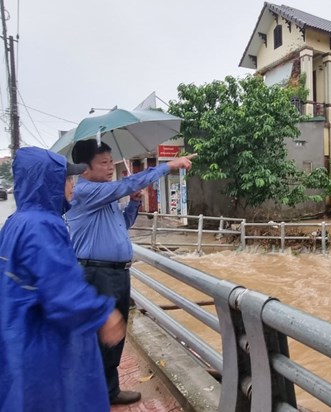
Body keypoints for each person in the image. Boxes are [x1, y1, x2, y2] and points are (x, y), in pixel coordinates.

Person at [66, 139, 193, 405]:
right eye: (103, 163)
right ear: (84, 169)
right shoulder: (87, 191)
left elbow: (121, 225)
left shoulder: (103, 193)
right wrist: (167, 166)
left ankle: (107, 390)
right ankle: (96, 393)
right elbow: (126, 184)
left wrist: (133, 205)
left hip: (115, 274)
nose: (109, 167)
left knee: (114, 337)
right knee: (102, 337)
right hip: (97, 274)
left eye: (110, 161)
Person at [0, 147, 126, 412]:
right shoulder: (44, 225)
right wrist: (102, 314)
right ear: (50, 182)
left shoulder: (16, 222)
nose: (72, 184)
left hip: (18, 331)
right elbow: (59, 288)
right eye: (67, 178)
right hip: (42, 341)